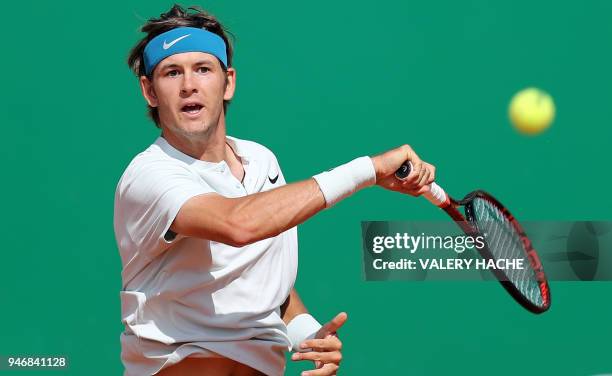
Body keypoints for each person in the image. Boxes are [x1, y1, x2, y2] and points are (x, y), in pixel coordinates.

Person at [114, 4, 435, 376]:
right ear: (149, 91)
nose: (189, 85)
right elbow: (238, 225)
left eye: (203, 69)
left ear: (227, 82)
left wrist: (305, 333)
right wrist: (368, 170)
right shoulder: (149, 175)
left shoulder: (261, 160)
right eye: (172, 72)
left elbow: (266, 283)